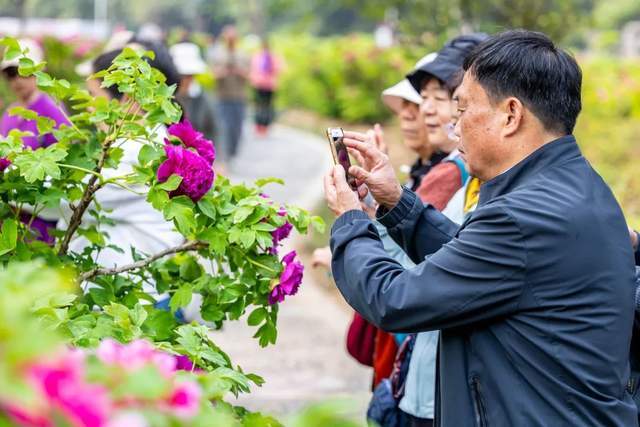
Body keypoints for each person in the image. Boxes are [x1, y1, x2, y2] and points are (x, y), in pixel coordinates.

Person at [324, 30, 638, 426]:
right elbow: (478, 260)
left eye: (462, 110)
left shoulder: (524, 215)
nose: (454, 131)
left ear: (510, 115)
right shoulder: (576, 185)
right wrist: (397, 202)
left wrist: (351, 220)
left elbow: (394, 299)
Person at [0, 38, 71, 244]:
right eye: (11, 74)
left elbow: (63, 168)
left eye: (25, 72)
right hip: (9, 217)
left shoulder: (52, 111)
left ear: (38, 72)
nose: (18, 80)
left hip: (38, 219)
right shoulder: (11, 113)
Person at [210, 25, 249, 165]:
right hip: (223, 97)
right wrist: (223, 71)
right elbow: (212, 74)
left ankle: (233, 151)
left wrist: (238, 71)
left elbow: (249, 75)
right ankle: (225, 155)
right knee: (224, 127)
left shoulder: (242, 54)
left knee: (237, 128)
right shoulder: (218, 53)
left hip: (239, 97)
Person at [170, 42, 216, 142]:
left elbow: (212, 130)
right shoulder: (164, 98)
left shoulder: (201, 99)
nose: (187, 80)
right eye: (183, 76)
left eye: (190, 76)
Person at [249, 37, 282, 136]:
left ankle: (265, 126)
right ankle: (259, 124)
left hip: (269, 85)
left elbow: (278, 69)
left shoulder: (273, 57)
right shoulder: (258, 57)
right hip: (259, 84)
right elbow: (253, 69)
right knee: (259, 106)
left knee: (267, 106)